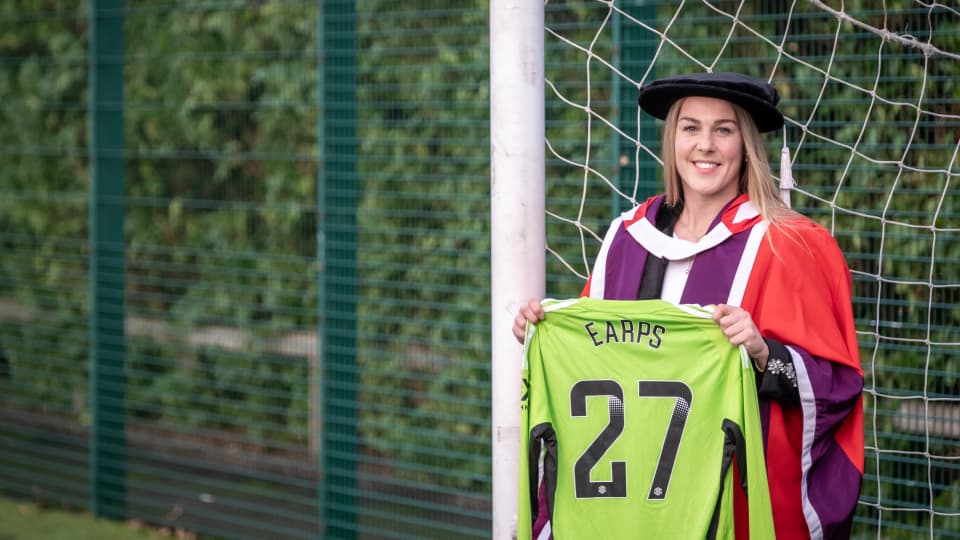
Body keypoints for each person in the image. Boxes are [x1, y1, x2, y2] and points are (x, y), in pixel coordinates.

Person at [513, 72, 864, 540]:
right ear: (672, 139)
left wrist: (765, 355)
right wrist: (541, 332)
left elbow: (837, 385)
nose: (706, 145)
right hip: (628, 498)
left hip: (727, 501)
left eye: (724, 129)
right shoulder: (627, 237)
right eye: (690, 128)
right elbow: (593, 365)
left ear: (747, 145)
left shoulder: (788, 245)